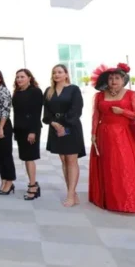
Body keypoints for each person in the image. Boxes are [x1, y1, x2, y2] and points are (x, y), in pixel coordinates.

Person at [89, 63, 135, 214]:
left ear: (124, 80)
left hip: (125, 135)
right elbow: (96, 116)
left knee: (125, 166)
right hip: (105, 135)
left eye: (117, 78)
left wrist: (123, 111)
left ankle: (128, 201)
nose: (113, 81)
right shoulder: (99, 95)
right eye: (111, 78)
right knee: (108, 167)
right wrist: (93, 134)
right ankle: (110, 200)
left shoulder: (131, 95)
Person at [43, 64, 86, 207]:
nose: (57, 75)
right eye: (54, 72)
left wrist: (65, 125)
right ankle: (72, 192)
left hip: (71, 128)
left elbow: (77, 109)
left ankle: (70, 195)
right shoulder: (49, 91)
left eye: (60, 72)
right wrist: (54, 123)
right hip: (55, 128)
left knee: (72, 160)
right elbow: (47, 112)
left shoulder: (74, 89)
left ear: (66, 74)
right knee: (63, 161)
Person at [11, 69, 44, 201]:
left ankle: (33, 186)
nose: (19, 79)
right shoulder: (17, 93)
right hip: (19, 129)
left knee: (30, 157)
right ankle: (33, 183)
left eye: (22, 77)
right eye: (17, 77)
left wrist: (33, 131)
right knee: (25, 157)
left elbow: (36, 112)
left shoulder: (35, 91)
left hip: (31, 129)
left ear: (29, 78)